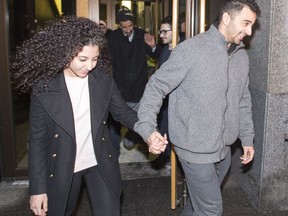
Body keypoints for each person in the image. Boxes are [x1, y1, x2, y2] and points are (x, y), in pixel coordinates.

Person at [134, 0, 261, 215]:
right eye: (246, 23)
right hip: (194, 148)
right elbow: (156, 86)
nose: (249, 31)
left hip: (223, 149)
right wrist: (148, 128)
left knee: (197, 205)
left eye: (252, 25)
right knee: (210, 210)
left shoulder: (241, 56)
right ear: (227, 18)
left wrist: (247, 137)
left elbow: (243, 99)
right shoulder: (190, 50)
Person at [11, 16, 138, 216]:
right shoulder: (44, 86)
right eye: (83, 59)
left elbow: (123, 112)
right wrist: (37, 189)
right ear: (66, 52)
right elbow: (37, 139)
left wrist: (148, 131)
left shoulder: (102, 79)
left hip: (99, 160)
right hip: (63, 164)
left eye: (95, 59)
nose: (89, 66)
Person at [107, 6, 162, 151]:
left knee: (138, 119)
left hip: (139, 86)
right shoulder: (113, 38)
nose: (127, 29)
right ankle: (113, 152)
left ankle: (132, 137)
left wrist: (153, 46)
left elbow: (157, 56)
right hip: (120, 87)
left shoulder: (142, 35)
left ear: (134, 24)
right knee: (115, 122)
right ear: (119, 25)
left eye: (130, 26)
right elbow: (110, 62)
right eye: (124, 27)